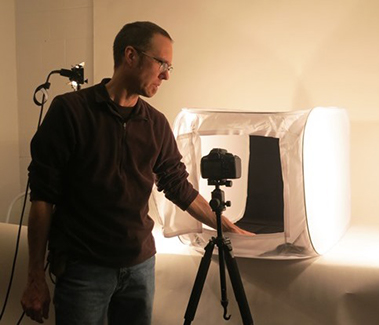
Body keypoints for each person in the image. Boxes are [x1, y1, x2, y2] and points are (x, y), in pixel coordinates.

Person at [20, 21, 252, 325]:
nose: (167, 74)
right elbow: (42, 197)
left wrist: (228, 228)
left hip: (140, 268)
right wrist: (35, 276)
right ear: (130, 55)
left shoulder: (155, 124)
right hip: (83, 269)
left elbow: (178, 187)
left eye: (170, 67)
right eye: (162, 63)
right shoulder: (71, 111)